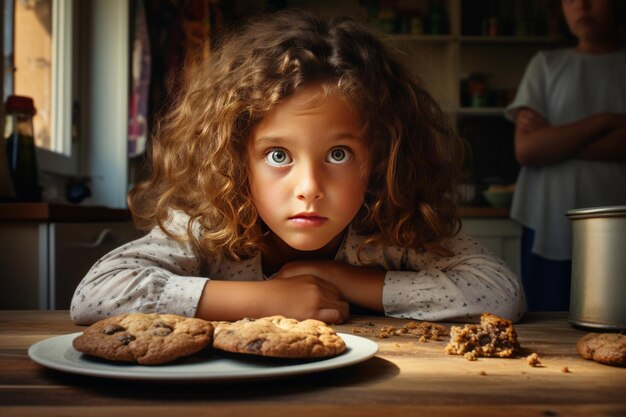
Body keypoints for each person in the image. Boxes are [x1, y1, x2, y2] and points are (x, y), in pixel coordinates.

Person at [71, 11, 525, 325]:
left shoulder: (386, 227)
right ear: (233, 157)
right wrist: (264, 300)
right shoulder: (205, 223)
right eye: (278, 156)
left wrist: (341, 279)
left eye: (339, 155)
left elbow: (500, 292)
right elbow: (96, 294)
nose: (308, 188)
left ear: (382, 158)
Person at [505, 0, 626, 311]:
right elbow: (528, 150)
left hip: (618, 220)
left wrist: (555, 139)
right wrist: (607, 121)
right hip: (547, 218)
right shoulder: (546, 64)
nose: (582, 6)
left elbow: (541, 146)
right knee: (547, 319)